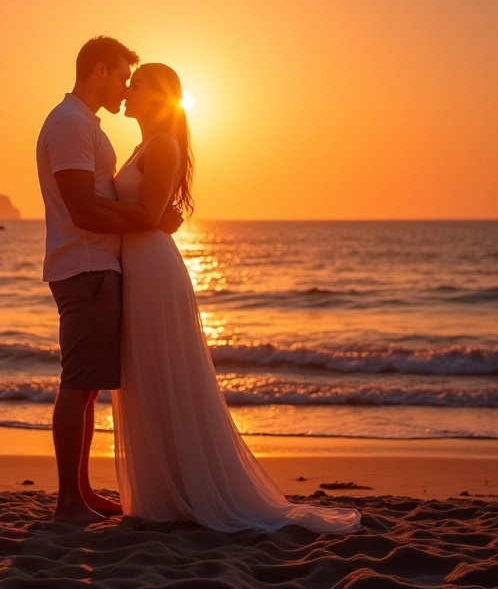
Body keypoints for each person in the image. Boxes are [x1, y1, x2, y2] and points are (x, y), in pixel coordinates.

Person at [94, 63, 361, 533]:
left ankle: (184, 493)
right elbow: (149, 214)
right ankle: (163, 493)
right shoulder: (143, 146)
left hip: (154, 270)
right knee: (146, 377)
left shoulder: (162, 144)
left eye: (138, 84)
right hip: (138, 267)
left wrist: (95, 206)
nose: (128, 90)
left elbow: (149, 215)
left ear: (158, 97)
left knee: (164, 374)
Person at [35, 37, 181, 523]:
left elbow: (96, 201)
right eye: (122, 76)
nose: (124, 88)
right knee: (77, 385)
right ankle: (68, 503)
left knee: (88, 388)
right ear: (99, 70)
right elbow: (82, 210)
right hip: (86, 267)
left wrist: (148, 218)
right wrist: (149, 219)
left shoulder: (83, 124)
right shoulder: (72, 124)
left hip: (95, 266)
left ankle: (81, 492)